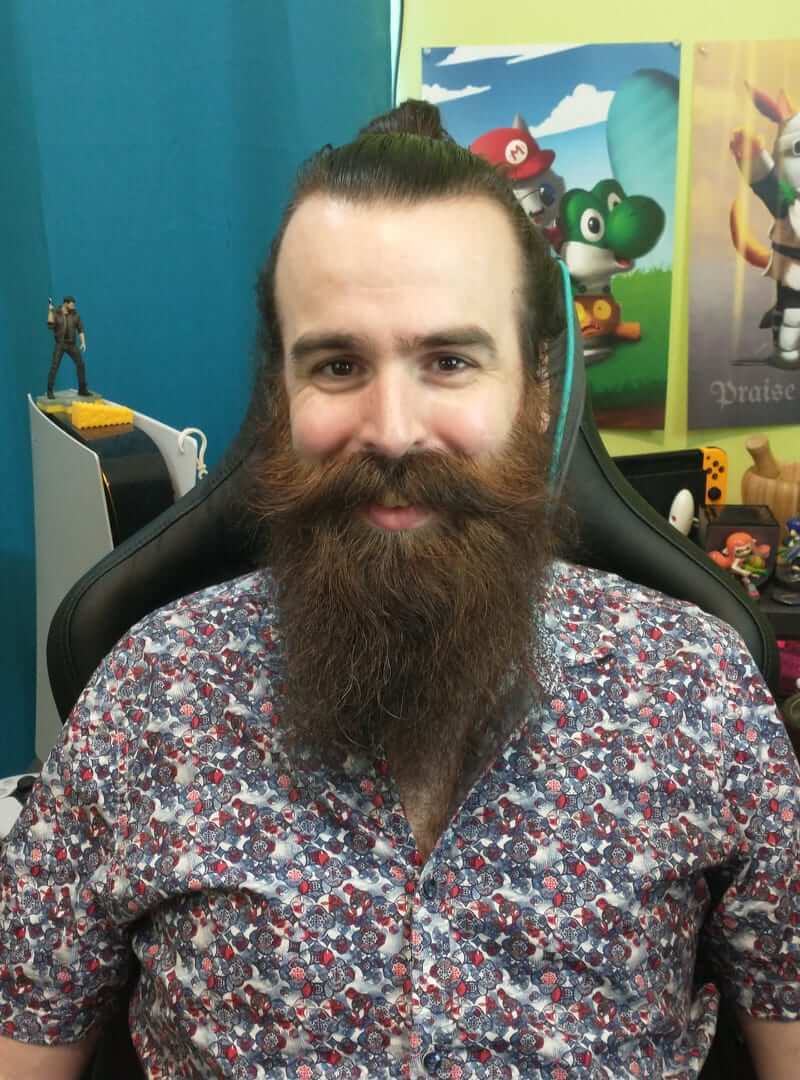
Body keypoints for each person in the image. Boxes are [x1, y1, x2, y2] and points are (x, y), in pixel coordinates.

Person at [1, 100, 799, 1079]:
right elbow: (27, 1036)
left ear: (534, 392)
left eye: (449, 360)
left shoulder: (694, 691)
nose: (391, 428)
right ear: (281, 395)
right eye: (338, 364)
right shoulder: (148, 696)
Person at [47, 295, 89, 398]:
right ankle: (49, 390)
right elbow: (50, 325)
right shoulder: (56, 313)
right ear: (66, 304)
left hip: (71, 344)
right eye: (72, 304)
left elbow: (80, 330)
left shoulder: (75, 315)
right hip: (60, 344)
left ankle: (82, 389)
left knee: (81, 364)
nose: (74, 306)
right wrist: (50, 311)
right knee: (54, 366)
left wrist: (83, 343)